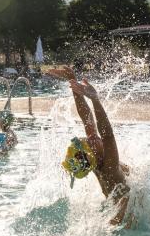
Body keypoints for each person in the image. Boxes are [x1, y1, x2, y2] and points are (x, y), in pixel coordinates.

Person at [46, 66, 130, 224]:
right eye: (90, 143)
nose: (91, 137)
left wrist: (72, 80)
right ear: (95, 156)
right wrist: (95, 99)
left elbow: (86, 118)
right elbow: (107, 134)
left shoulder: (94, 158)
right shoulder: (109, 169)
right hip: (126, 225)